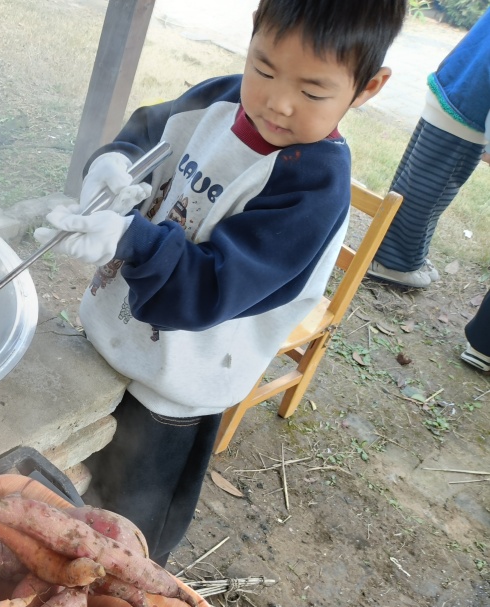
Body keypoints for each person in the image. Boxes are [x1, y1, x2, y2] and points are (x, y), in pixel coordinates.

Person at [35, 0, 406, 567]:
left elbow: (211, 286)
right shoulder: (218, 99)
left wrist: (131, 239)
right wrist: (113, 165)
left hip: (176, 388)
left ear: (367, 88)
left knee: (125, 538)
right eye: (264, 68)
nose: (277, 102)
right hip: (108, 336)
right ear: (253, 32)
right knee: (59, 495)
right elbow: (147, 133)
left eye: (312, 91)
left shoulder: (311, 188)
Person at [366, 9, 490, 289]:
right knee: (429, 193)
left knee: (411, 184)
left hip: (452, 87)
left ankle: (401, 253)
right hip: (470, 109)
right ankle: (394, 264)